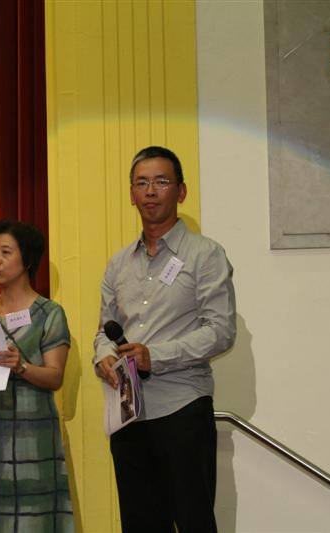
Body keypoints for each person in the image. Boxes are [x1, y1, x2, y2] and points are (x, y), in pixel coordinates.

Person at [93, 146, 236, 532]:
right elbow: (104, 329)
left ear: (181, 191)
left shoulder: (206, 254)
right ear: (131, 194)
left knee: (193, 522)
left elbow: (221, 331)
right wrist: (103, 357)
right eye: (141, 183)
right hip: (128, 414)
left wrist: (154, 356)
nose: (151, 191)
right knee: (140, 524)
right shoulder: (118, 263)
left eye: (161, 182)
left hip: (182, 408)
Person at [0, 219, 74, 533]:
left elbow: (55, 377)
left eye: (5, 252)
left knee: (34, 520)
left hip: (32, 432)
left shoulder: (50, 314)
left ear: (27, 260)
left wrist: (21, 366)